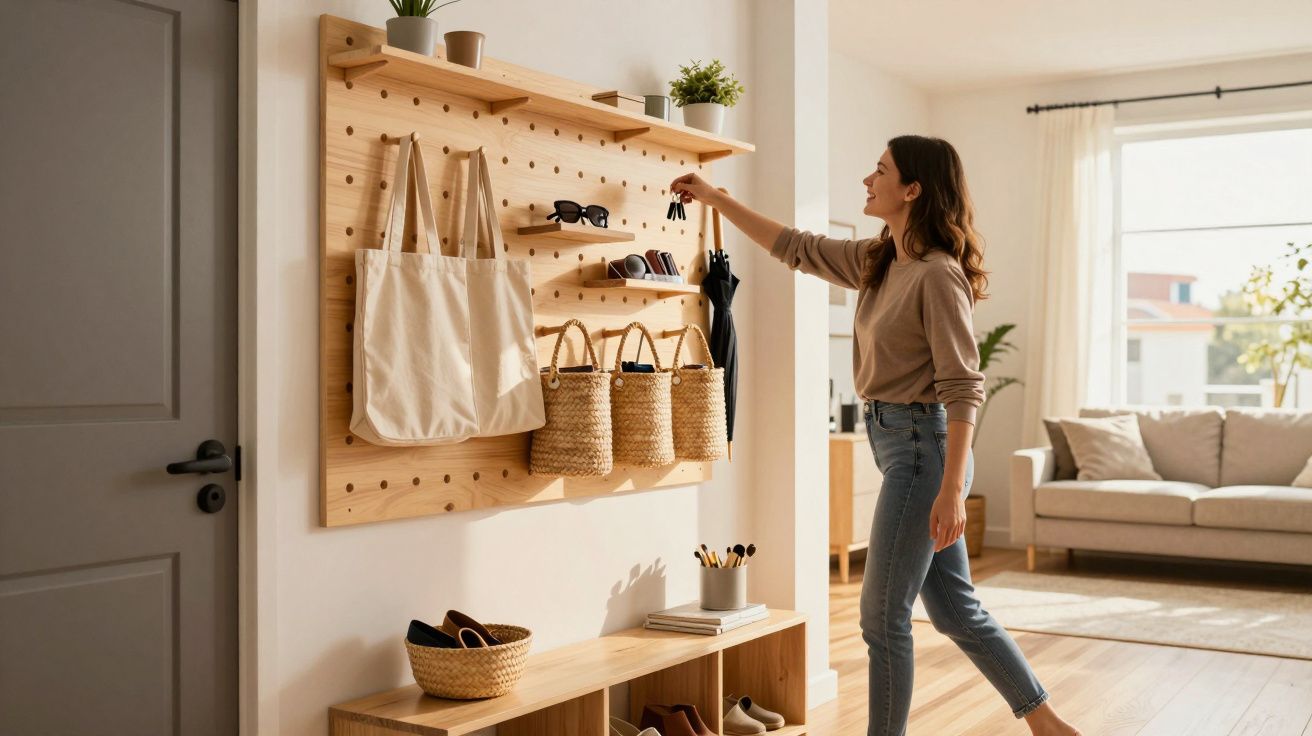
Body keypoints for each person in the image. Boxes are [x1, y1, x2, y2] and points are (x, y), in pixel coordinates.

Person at [670, 135, 1081, 736]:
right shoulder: (880, 260)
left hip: (924, 453)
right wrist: (714, 199)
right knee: (955, 610)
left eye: (880, 170)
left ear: (912, 189)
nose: (868, 179)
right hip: (902, 447)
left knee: (882, 616)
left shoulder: (939, 276)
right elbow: (796, 248)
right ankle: (1048, 723)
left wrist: (951, 490)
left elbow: (965, 387)